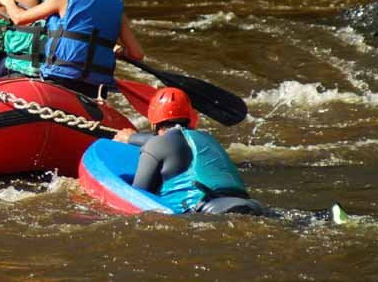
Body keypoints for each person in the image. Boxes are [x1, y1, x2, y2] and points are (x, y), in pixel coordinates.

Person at [0, 0, 143, 98]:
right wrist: (119, 50)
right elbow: (137, 54)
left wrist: (7, 1)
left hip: (59, 80)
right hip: (94, 89)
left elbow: (20, 19)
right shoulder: (117, 7)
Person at [113, 87, 264, 215]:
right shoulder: (208, 139)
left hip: (209, 211)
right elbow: (172, 141)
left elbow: (138, 195)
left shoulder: (156, 145)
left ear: (153, 124)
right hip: (252, 206)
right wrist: (132, 138)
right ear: (190, 118)